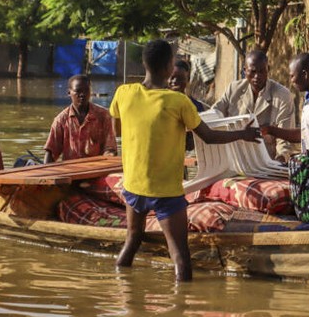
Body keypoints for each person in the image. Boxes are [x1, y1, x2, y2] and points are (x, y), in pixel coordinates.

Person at [109, 39, 260, 281]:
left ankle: (123, 292)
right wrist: (244, 133)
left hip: (133, 187)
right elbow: (208, 137)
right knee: (180, 255)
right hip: (166, 192)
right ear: (169, 67)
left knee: (132, 239)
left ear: (145, 64)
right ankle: (182, 306)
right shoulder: (179, 102)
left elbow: (117, 130)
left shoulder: (124, 93)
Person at [211, 50, 297, 161]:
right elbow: (214, 115)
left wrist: (279, 160)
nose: (257, 76)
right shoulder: (233, 90)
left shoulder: (282, 95)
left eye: (262, 71)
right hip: (235, 161)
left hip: (267, 163)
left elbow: (285, 140)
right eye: (253, 72)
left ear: (268, 70)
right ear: (244, 71)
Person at [43, 74, 117, 164]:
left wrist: (106, 160)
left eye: (86, 90)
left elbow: (110, 148)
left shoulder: (103, 116)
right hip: (70, 171)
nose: (82, 95)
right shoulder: (61, 120)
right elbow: (51, 152)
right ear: (69, 93)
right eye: (78, 91)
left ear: (90, 92)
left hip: (97, 170)